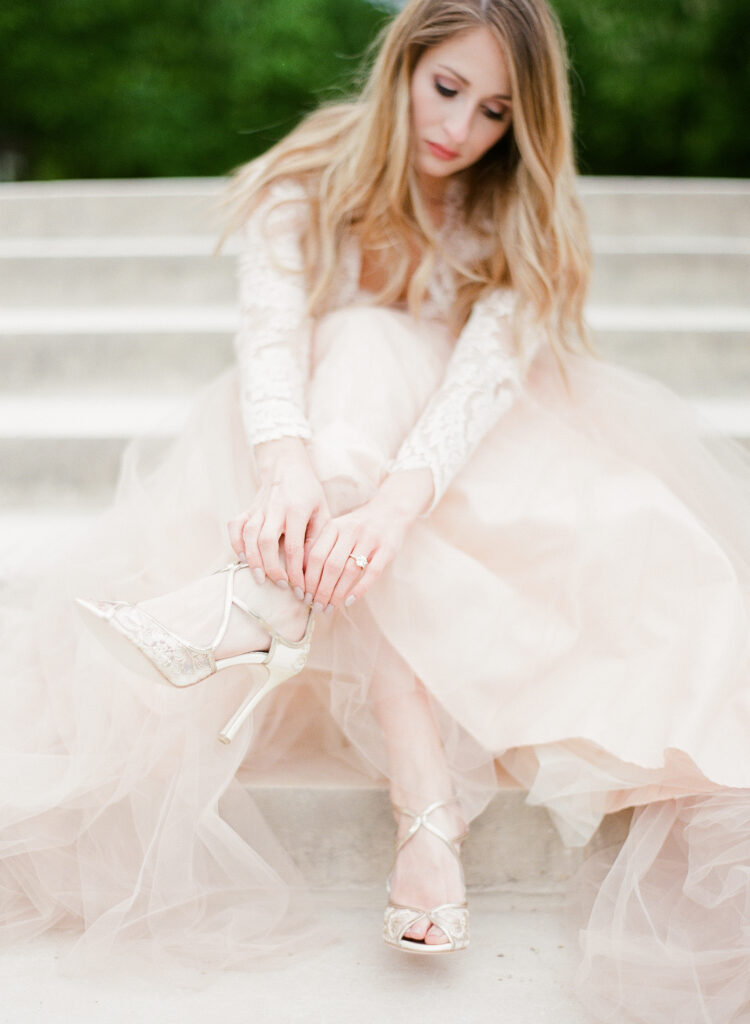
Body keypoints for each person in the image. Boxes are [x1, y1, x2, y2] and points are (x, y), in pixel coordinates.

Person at [1, 0, 749, 1019]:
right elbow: (270, 338)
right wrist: (288, 475)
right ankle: (424, 817)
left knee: (422, 383)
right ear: (402, 64)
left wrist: (388, 513)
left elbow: (479, 386)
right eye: (446, 90)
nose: (462, 130)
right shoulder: (311, 179)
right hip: (299, 455)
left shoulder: (511, 210)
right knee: (353, 341)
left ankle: (268, 603)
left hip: (460, 470)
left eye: (495, 113)